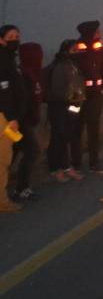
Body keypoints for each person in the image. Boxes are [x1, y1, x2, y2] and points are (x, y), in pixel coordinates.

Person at [45, 39, 86, 183]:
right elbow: (58, 91)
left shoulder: (73, 65)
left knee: (67, 136)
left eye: (78, 50)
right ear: (65, 51)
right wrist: (73, 98)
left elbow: (77, 85)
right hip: (59, 107)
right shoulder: (60, 66)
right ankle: (54, 169)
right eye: (74, 50)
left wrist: (78, 101)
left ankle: (66, 167)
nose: (77, 52)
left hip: (73, 105)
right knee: (58, 137)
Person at [74, 20, 103, 174]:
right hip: (77, 97)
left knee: (93, 128)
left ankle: (94, 163)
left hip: (96, 95)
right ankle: (75, 163)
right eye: (97, 31)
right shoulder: (76, 48)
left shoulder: (98, 47)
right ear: (89, 32)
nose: (100, 34)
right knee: (76, 128)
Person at [0, 24, 28, 212]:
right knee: (3, 158)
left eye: (17, 35)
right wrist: (11, 117)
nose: (15, 39)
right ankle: (2, 201)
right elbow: (4, 91)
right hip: (4, 118)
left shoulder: (9, 57)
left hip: (7, 115)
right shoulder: (3, 59)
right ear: (1, 39)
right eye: (10, 36)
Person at [12, 41, 44, 201]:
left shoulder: (33, 73)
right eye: (39, 54)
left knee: (13, 152)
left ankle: (12, 186)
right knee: (32, 151)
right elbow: (22, 100)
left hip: (25, 123)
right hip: (20, 124)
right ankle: (21, 188)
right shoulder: (24, 74)